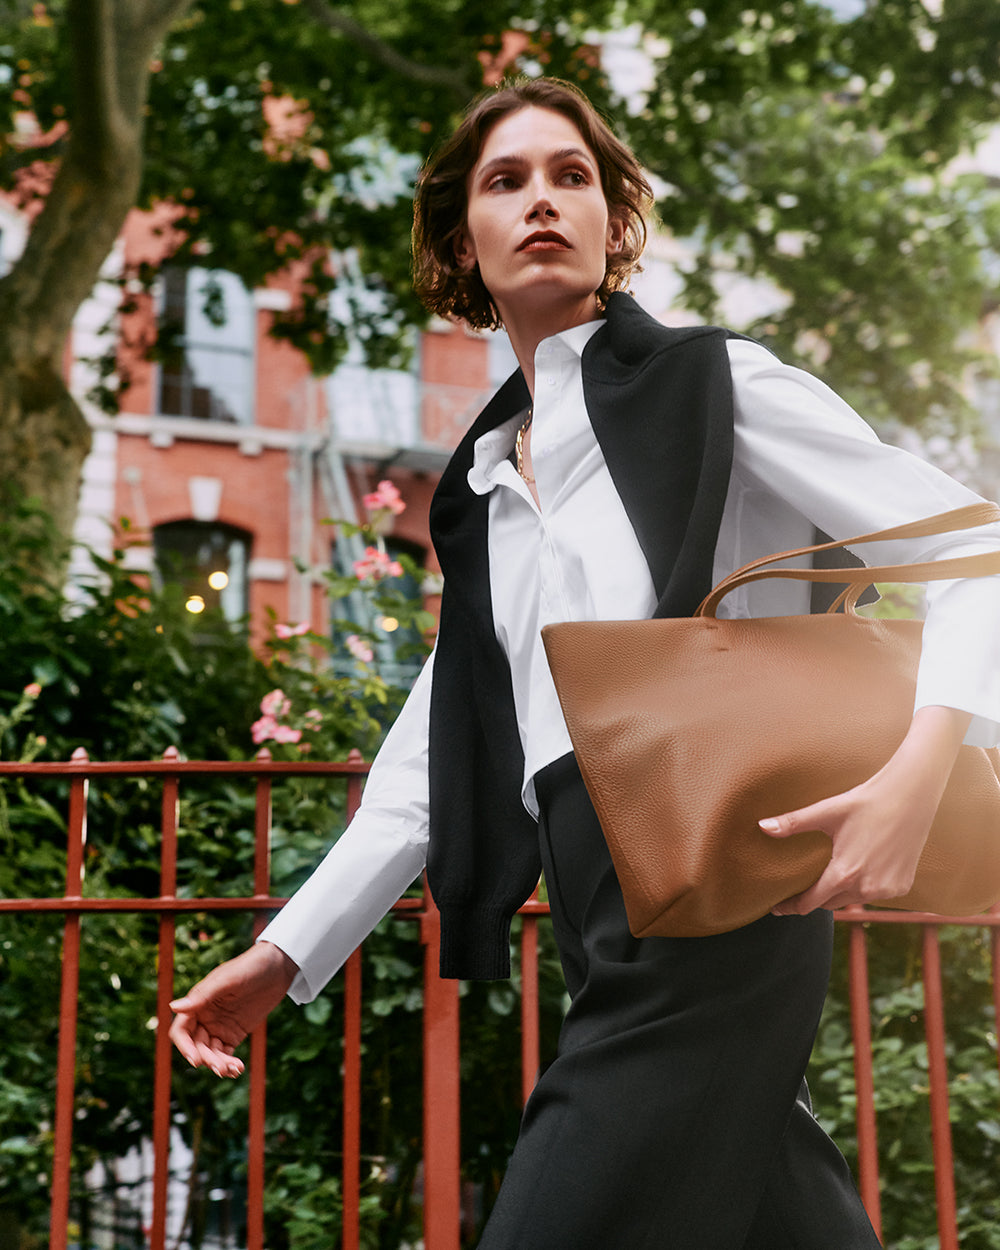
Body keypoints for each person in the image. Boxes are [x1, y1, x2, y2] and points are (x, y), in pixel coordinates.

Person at [170, 77, 1000, 1247]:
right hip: (597, 900)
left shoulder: (715, 385)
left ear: (617, 220)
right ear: (465, 236)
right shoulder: (483, 484)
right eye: (506, 182)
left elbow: (977, 546)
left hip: (726, 867)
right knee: (781, 1208)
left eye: (573, 177)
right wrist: (285, 950)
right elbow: (439, 743)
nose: (543, 201)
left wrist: (919, 771)